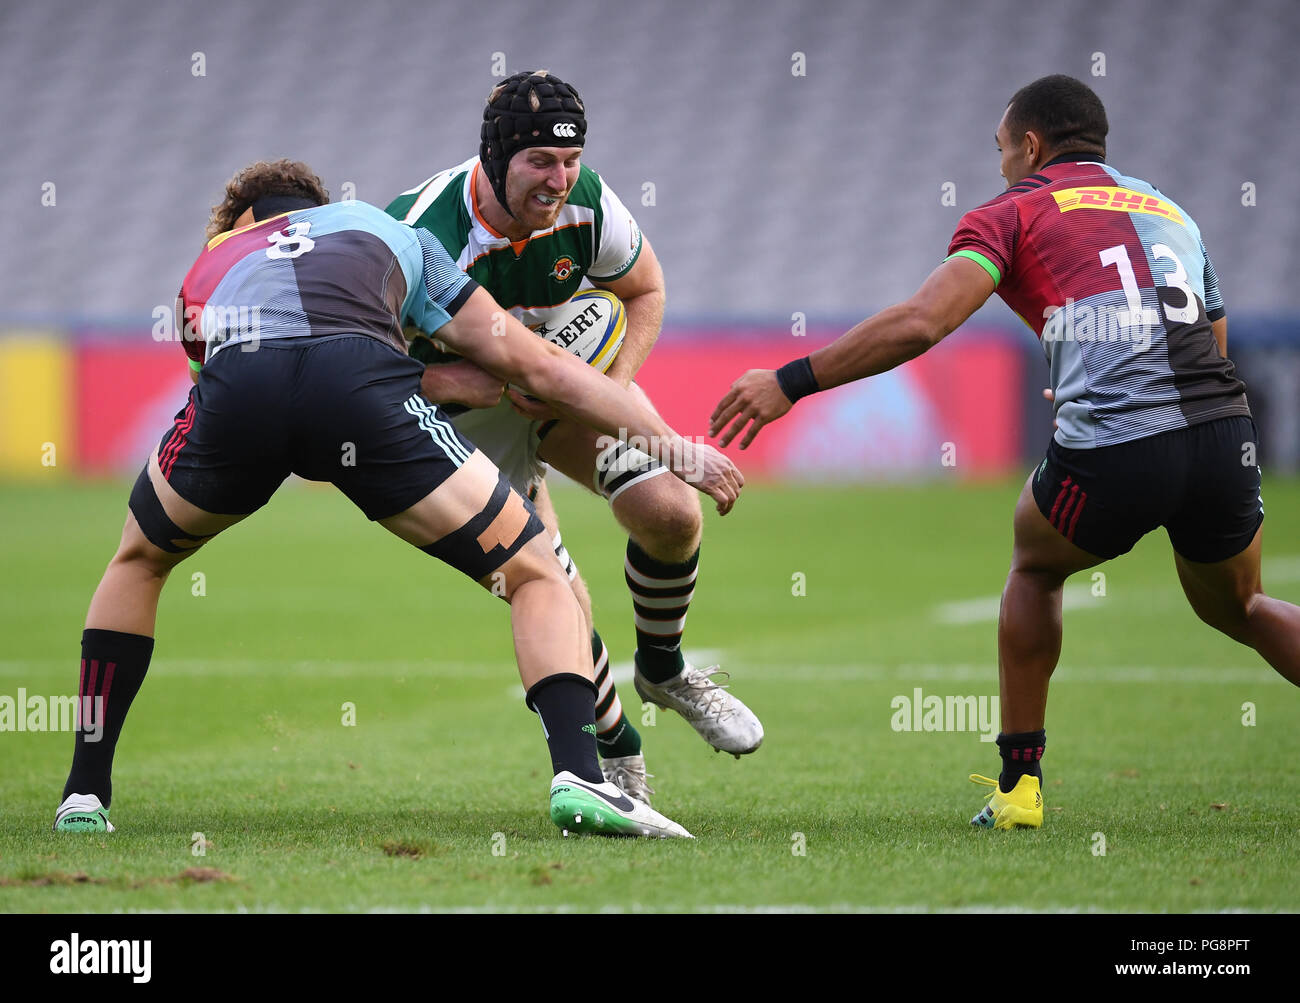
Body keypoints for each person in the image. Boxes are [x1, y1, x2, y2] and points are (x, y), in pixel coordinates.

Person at [53, 159, 742, 839]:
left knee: (138, 559)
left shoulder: (209, 264)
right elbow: (534, 364)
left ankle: (84, 792)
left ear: (244, 221)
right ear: (317, 206)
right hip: (360, 395)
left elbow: (216, 377)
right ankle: (583, 777)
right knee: (536, 570)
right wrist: (673, 447)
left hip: (244, 394)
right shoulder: (382, 229)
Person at [710, 74, 1300, 829]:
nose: (998, 166)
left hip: (1121, 446)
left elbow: (925, 321)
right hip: (1224, 431)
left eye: (1000, 149)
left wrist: (791, 380)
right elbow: (1209, 336)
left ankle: (1020, 787)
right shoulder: (1166, 207)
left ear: (1030, 144)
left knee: (1036, 560)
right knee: (1242, 604)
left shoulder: (1012, 210)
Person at [386, 70, 763, 805]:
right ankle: (617, 745)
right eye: (540, 162)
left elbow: (645, 290)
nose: (559, 180)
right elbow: (360, 374)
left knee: (673, 512)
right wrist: (466, 383)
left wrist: (610, 393)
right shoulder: (423, 234)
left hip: (566, 375)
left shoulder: (587, 202)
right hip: (469, 422)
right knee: (554, 589)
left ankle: (664, 667)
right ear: (496, 159)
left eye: (571, 160)